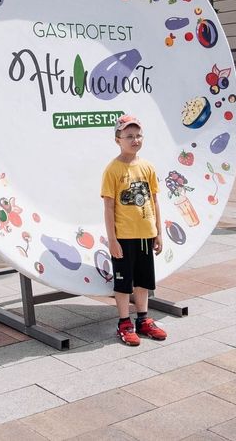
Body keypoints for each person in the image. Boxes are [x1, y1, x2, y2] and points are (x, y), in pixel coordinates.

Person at [101, 114, 167, 346]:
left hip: (145, 235)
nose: (135, 139)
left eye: (138, 135)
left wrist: (158, 232)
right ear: (117, 139)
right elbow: (109, 206)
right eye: (129, 136)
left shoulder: (147, 167)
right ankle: (124, 322)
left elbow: (155, 200)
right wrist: (112, 239)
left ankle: (143, 320)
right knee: (123, 281)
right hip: (124, 237)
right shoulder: (113, 169)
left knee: (143, 280)